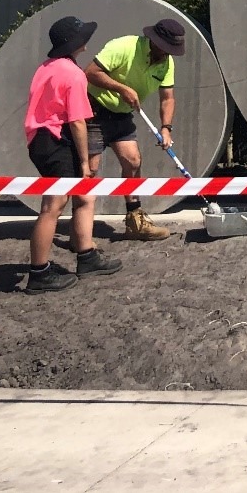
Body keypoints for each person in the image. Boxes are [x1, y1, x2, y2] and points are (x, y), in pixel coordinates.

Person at [24, 16, 122, 293]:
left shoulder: (46, 67)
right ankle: (39, 273)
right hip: (55, 140)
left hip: (40, 140)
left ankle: (86, 255)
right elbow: (78, 122)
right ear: (76, 43)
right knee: (52, 206)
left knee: (81, 196)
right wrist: (83, 162)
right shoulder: (74, 74)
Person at [83, 18, 187, 240]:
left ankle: (135, 220)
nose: (169, 54)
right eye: (166, 48)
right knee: (90, 170)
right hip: (93, 109)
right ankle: (81, 230)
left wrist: (166, 129)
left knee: (133, 161)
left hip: (121, 115)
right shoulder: (123, 46)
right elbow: (90, 72)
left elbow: (167, 98)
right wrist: (121, 88)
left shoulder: (166, 63)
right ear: (154, 40)